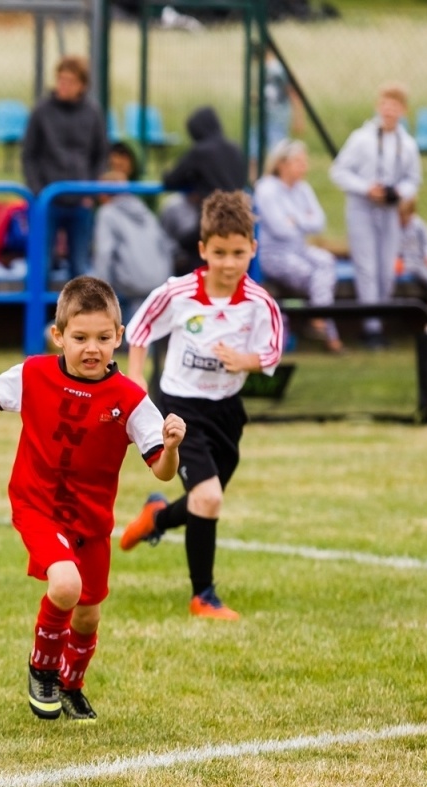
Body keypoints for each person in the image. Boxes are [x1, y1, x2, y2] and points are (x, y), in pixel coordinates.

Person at [0, 277, 184, 720]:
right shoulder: (33, 374)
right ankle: (42, 669)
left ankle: (72, 683)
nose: (92, 348)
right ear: (58, 336)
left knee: (88, 615)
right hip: (37, 504)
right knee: (66, 585)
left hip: (91, 520)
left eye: (104, 338)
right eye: (80, 337)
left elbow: (161, 468)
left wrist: (173, 446)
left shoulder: (132, 400)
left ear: (118, 338)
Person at [119, 191, 284, 621]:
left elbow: (271, 354)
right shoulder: (178, 293)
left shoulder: (259, 303)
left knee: (201, 500)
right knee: (208, 498)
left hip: (227, 412)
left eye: (238, 252)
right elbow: (138, 331)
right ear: (202, 250)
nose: (229, 263)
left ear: (253, 248)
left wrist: (245, 360)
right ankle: (203, 596)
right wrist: (136, 377)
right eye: (219, 253)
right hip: (179, 407)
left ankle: (156, 518)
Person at [330, 83, 420, 347]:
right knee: (366, 266)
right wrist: (365, 188)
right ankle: (371, 326)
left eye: (395, 106)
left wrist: (397, 192)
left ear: (403, 110)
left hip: (389, 211)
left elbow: (413, 180)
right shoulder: (362, 138)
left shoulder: (407, 144)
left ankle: (381, 319)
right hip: (362, 208)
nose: (389, 111)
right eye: (385, 105)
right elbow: (339, 171)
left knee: (386, 267)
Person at [20, 55, 107, 279]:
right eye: (60, 80)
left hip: (81, 201)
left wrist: (92, 192)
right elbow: (29, 155)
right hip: (49, 199)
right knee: (41, 266)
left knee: (79, 266)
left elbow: (100, 155)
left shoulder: (92, 113)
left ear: (82, 86)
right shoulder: (42, 112)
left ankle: (78, 314)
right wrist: (39, 192)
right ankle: (39, 314)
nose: (63, 86)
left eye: (69, 81)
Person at [253, 139, 341, 351]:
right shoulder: (267, 189)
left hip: (298, 249)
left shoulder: (303, 189)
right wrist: (304, 219)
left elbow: (319, 222)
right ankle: (328, 333)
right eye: (299, 162)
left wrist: (294, 219)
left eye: (305, 161)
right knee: (314, 275)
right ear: (282, 164)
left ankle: (319, 320)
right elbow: (280, 229)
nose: (305, 167)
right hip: (273, 255)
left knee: (326, 261)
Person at [160, 107, 246, 268]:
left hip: (211, 218)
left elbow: (171, 180)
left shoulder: (200, 152)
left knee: (187, 249)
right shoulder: (235, 149)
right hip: (238, 217)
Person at [91, 169, 174, 324]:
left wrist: (99, 293)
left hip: (131, 285)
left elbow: (104, 253)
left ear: (103, 193)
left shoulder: (107, 213)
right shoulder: (146, 211)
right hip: (160, 280)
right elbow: (166, 246)